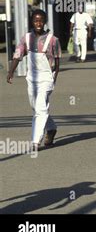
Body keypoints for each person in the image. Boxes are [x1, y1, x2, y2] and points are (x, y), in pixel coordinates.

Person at [7, 10, 61, 150]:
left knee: (40, 107)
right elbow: (17, 55)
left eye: (41, 20)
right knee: (36, 107)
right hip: (32, 78)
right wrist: (11, 71)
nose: (38, 23)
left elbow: (57, 61)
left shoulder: (53, 40)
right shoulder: (26, 38)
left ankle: (35, 141)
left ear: (45, 21)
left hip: (46, 78)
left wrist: (53, 79)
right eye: (36, 20)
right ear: (32, 21)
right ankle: (51, 128)